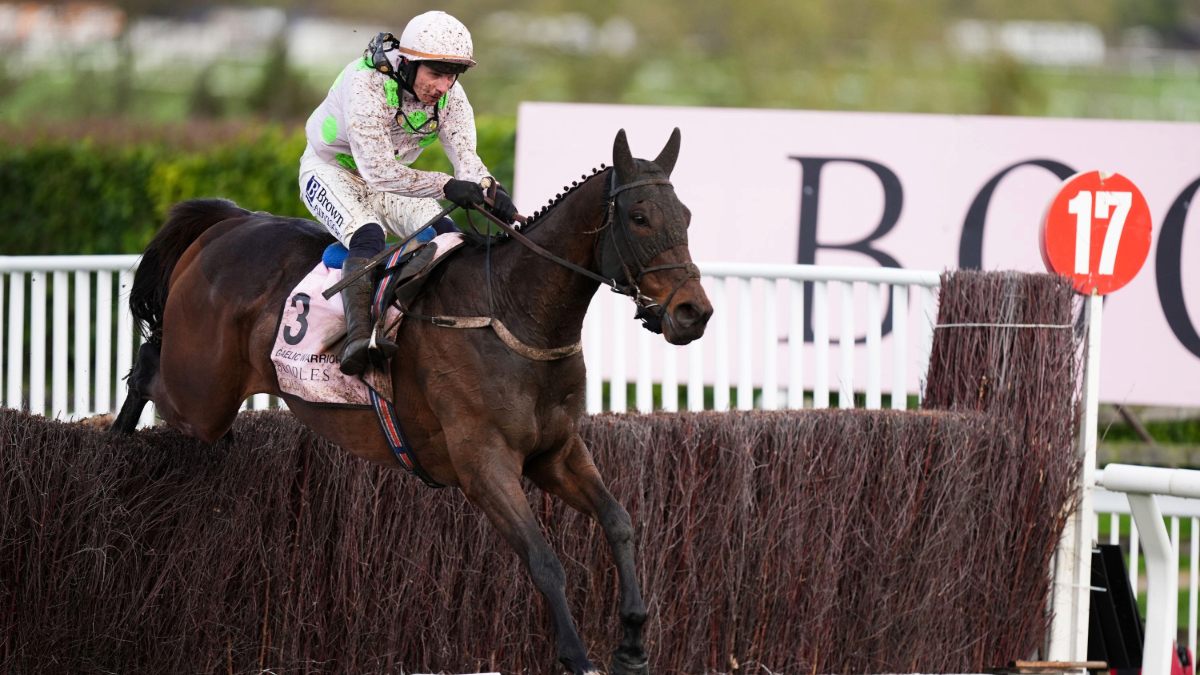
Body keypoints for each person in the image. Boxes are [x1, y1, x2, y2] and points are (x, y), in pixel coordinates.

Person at [298, 10, 518, 376]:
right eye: (436, 74)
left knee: (449, 235)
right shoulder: (365, 84)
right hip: (331, 172)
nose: (444, 87)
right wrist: (446, 185)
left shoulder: (452, 98)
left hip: (390, 181)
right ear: (409, 63)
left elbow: (467, 161)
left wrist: (491, 191)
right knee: (368, 234)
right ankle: (358, 338)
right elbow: (378, 171)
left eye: (451, 76)